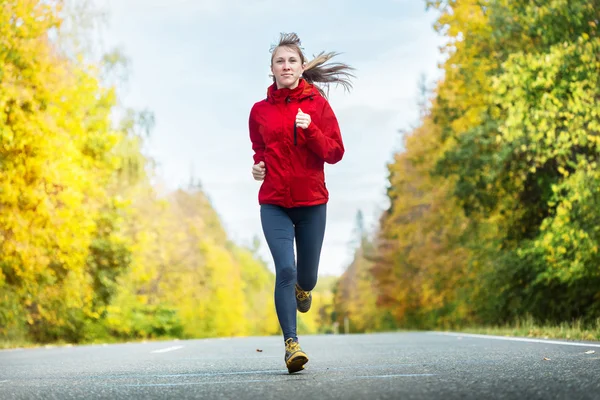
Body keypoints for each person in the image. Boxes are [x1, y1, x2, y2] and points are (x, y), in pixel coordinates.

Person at [248, 32, 355, 374]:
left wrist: (310, 130)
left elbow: (335, 153)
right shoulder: (259, 112)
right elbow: (259, 150)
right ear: (272, 69)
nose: (286, 65)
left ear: (300, 67)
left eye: (292, 60)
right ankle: (291, 344)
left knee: (305, 277)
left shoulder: (318, 106)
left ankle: (303, 290)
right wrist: (258, 166)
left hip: (311, 203)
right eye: (280, 61)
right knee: (286, 269)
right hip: (275, 203)